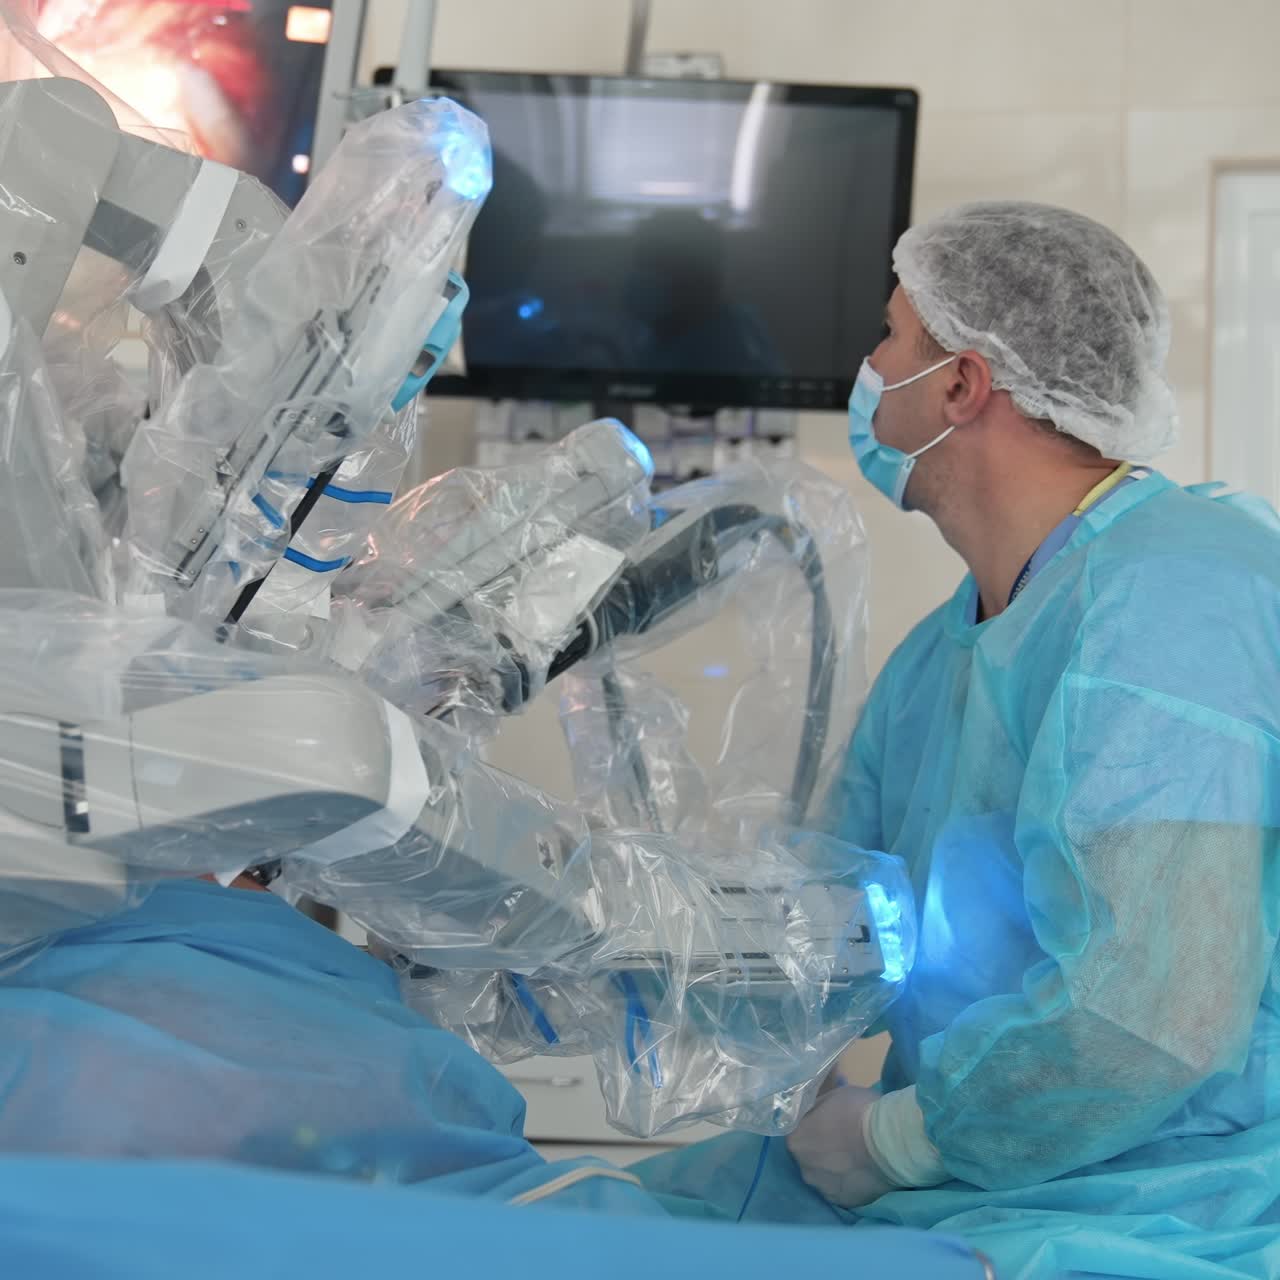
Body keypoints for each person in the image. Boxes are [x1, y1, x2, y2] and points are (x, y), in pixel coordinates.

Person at [635, 202, 1280, 1279]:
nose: (866, 364)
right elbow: (831, 918)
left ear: (961, 385)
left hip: (1168, 1199)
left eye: (889, 335)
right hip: (977, 1173)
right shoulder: (944, 652)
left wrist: (892, 1139)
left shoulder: (1173, 595)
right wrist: (611, 943)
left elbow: (1152, 1014)